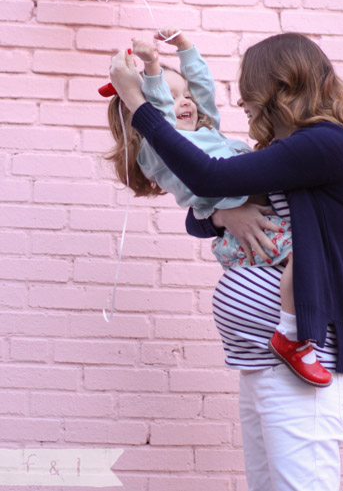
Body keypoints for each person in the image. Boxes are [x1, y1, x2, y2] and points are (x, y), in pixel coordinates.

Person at [108, 31, 343, 491]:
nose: (243, 102)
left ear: (277, 85)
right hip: (260, 359)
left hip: (308, 358)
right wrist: (222, 212)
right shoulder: (288, 154)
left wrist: (140, 106)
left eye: (249, 89)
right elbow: (201, 215)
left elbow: (207, 174)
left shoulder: (325, 145)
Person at [103, 29, 331, 387]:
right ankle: (292, 337)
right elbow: (159, 116)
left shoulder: (205, 134)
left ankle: (297, 332)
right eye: (173, 96)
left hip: (248, 228)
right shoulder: (160, 146)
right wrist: (150, 68)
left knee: (311, 260)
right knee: (309, 257)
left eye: (186, 96)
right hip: (247, 239)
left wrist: (187, 51)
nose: (186, 103)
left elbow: (205, 97)